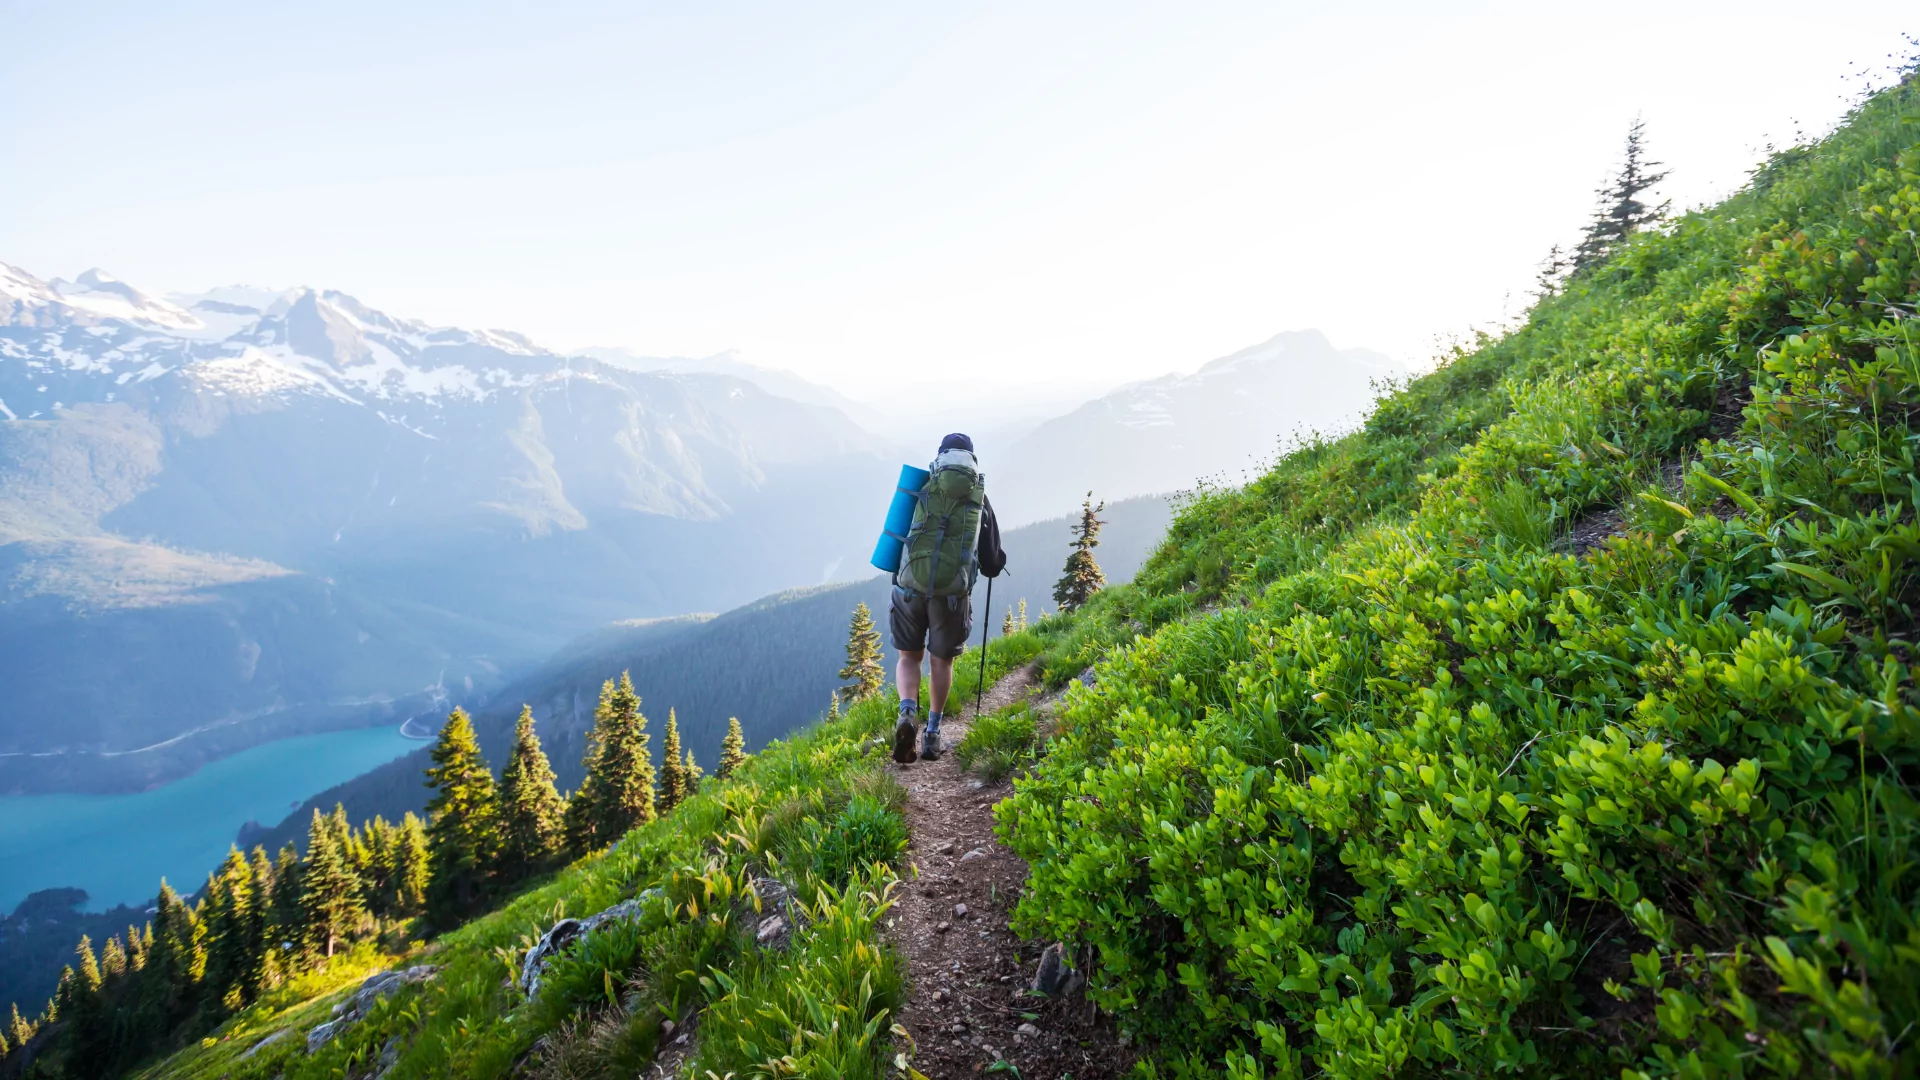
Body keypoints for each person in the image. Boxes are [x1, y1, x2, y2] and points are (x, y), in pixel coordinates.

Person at [891, 432, 1005, 762]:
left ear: (940, 459)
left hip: (910, 589)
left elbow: (895, 535)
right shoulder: (979, 499)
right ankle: (932, 734)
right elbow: (991, 561)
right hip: (952, 598)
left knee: (908, 657)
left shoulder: (920, 487)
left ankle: (907, 712)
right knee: (942, 661)